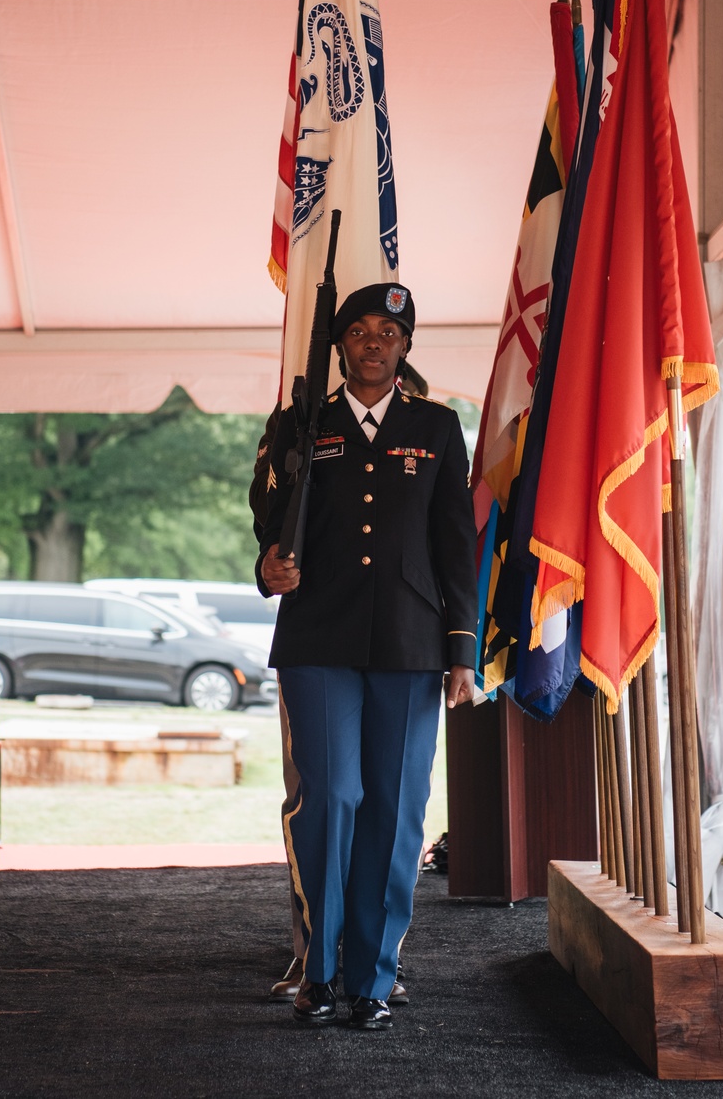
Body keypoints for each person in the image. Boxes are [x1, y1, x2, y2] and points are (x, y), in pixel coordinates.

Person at [258, 282, 478, 1031]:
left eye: (389, 331)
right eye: (359, 331)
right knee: (333, 798)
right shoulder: (302, 424)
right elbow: (267, 518)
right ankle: (317, 973)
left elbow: (458, 544)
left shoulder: (439, 427)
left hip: (413, 646)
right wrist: (268, 566)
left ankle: (373, 980)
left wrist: (463, 649)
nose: (374, 342)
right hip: (319, 638)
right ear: (340, 345)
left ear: (406, 346)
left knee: (397, 808)